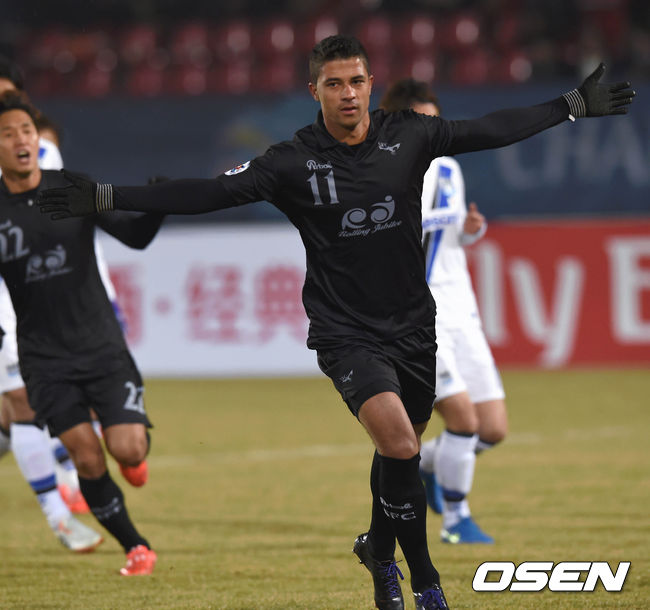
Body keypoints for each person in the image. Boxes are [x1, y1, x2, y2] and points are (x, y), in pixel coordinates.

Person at [37, 35, 634, 609]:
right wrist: (109, 197)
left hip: (413, 326)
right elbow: (209, 194)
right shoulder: (291, 161)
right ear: (314, 91)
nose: (347, 93)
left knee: (397, 455)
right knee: (401, 443)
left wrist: (570, 105)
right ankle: (425, 581)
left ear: (371, 84)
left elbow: (489, 129)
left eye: (356, 81)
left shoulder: (409, 134)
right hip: (345, 332)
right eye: (334, 84)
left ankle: (377, 551)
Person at [0, 91, 165, 575]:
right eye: (7, 134)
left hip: (100, 347)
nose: (20, 141)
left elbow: (135, 236)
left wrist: (156, 206)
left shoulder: (73, 187)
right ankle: (136, 547)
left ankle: (133, 457)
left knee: (127, 448)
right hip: (44, 359)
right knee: (86, 457)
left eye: (26, 131)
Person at [380, 78, 507, 544]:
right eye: (422, 124)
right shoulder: (385, 174)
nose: (432, 133)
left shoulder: (450, 168)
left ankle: (430, 464)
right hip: (419, 319)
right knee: (463, 421)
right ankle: (457, 519)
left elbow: (448, 240)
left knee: (492, 429)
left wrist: (471, 230)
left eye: (436, 123)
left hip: (462, 313)